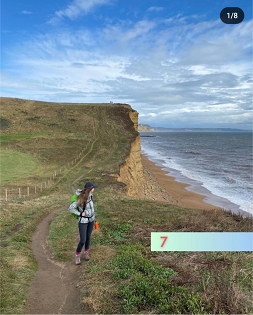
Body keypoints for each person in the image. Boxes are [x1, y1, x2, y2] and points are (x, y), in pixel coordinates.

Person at [69, 181, 97, 265]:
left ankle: (86, 253)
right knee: (82, 240)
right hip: (83, 221)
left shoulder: (91, 196)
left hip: (91, 220)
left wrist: (93, 217)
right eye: (93, 188)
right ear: (90, 189)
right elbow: (71, 208)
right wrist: (80, 214)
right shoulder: (81, 198)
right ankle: (77, 255)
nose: (94, 189)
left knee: (88, 237)